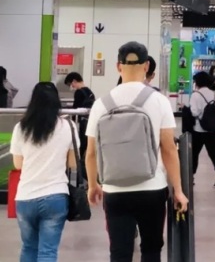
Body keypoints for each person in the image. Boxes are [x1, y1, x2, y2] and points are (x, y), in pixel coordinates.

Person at [85, 41, 188, 262]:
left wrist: (93, 185)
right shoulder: (159, 101)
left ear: (118, 66)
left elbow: (91, 152)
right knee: (151, 249)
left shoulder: (101, 104)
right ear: (146, 65)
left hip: (114, 190)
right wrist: (178, 190)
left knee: (119, 252)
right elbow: (169, 149)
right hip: (152, 189)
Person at [10, 82, 74, 262]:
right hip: (55, 196)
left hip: (26, 197)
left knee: (29, 247)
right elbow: (72, 163)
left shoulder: (21, 128)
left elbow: (18, 164)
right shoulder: (68, 126)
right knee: (48, 251)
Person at [191, 70, 215, 189]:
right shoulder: (214, 95)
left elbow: (194, 112)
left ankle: (191, 177)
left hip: (198, 129)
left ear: (197, 82)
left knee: (194, 153)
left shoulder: (195, 95)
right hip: (212, 130)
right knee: (213, 153)